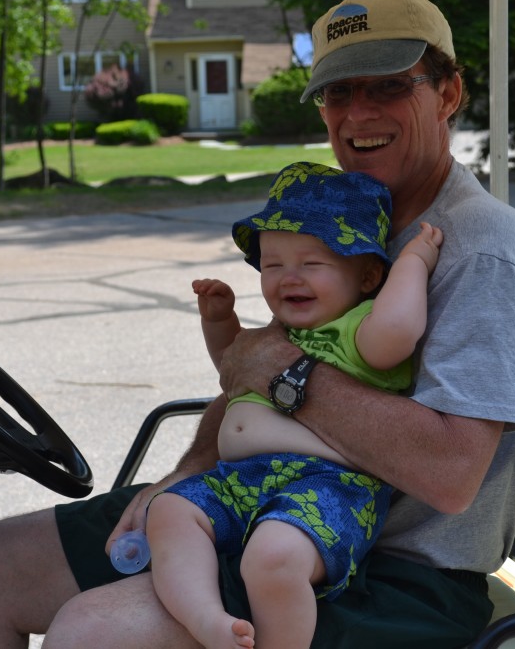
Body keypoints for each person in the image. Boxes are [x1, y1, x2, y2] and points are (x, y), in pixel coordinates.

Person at [0, 0, 515, 649]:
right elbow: (251, 372)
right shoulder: (346, 213)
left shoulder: (479, 247)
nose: (358, 114)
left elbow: (451, 473)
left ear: (449, 94)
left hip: (395, 576)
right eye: (338, 93)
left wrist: (289, 375)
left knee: (91, 632)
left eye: (388, 86)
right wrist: (190, 468)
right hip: (263, 505)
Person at [148, 161, 443, 649]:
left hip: (329, 486)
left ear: (369, 275)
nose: (289, 278)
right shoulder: (280, 334)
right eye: (272, 264)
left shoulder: (361, 327)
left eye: (312, 264)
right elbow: (234, 370)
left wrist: (413, 263)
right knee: (170, 513)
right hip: (242, 480)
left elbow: (399, 331)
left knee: (274, 559)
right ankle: (206, 621)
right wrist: (220, 322)